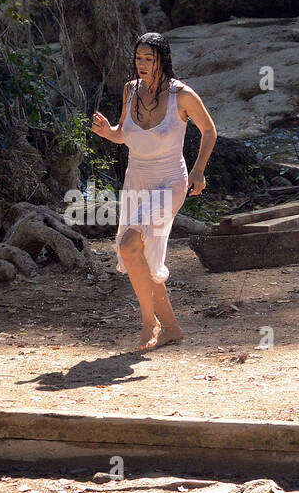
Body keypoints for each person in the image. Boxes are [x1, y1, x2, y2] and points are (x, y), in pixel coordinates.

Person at [91, 32, 217, 350]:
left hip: (170, 182)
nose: (142, 64)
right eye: (139, 58)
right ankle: (170, 327)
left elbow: (209, 130)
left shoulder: (182, 95)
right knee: (133, 250)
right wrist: (109, 133)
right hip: (137, 181)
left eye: (149, 59)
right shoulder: (130, 91)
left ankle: (150, 325)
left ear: (163, 59)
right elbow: (125, 134)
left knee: (131, 242)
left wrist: (199, 169)